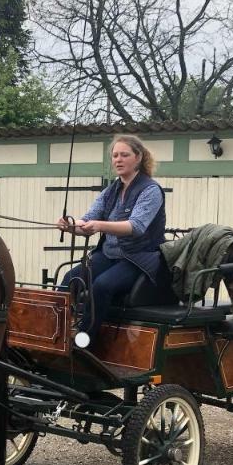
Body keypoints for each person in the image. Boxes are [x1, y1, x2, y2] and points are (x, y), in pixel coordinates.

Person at [55, 134, 175, 341]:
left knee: (101, 286)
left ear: (138, 158)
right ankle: (55, 332)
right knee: (70, 279)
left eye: (124, 155)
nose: (118, 160)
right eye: (115, 155)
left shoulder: (150, 190)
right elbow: (87, 223)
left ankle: (84, 340)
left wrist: (100, 225)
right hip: (108, 255)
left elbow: (136, 227)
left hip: (138, 257)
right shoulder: (110, 191)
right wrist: (70, 227)